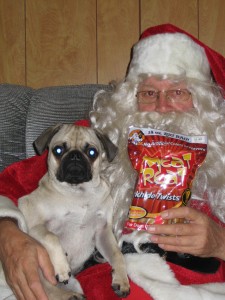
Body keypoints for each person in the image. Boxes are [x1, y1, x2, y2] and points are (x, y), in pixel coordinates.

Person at [1, 23, 225, 299]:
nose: (161, 106)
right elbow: (8, 184)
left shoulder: (219, 155)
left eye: (177, 92)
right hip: (98, 286)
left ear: (202, 101)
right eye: (149, 93)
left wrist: (220, 244)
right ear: (130, 99)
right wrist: (8, 237)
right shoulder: (93, 142)